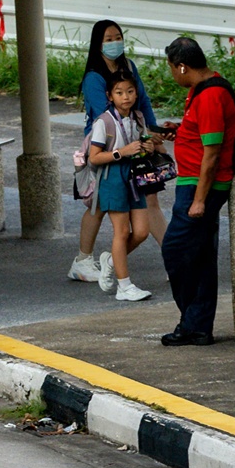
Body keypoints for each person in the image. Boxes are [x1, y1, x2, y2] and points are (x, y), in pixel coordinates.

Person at [69, 19, 165, 283]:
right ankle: (83, 260)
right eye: (108, 40)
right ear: (98, 44)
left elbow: (143, 102)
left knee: (149, 198)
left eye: (118, 37)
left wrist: (151, 133)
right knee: (98, 202)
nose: (115, 43)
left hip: (135, 143)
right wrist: (130, 144)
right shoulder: (94, 77)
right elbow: (105, 116)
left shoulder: (128, 66)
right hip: (109, 148)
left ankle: (170, 255)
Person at [160, 36, 235, 347]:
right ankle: (197, 326)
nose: (172, 73)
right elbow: (204, 135)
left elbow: (212, 153)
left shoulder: (210, 96)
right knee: (201, 254)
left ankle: (192, 322)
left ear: (182, 66)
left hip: (200, 185)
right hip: (195, 182)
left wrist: (199, 200)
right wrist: (181, 131)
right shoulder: (203, 88)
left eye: (171, 68)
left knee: (176, 249)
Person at [86, 73, 156, 302]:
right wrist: (121, 152)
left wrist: (148, 147)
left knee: (142, 232)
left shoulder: (138, 117)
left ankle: (110, 260)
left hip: (134, 175)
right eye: (119, 92)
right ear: (110, 96)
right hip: (112, 176)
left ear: (136, 93)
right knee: (122, 231)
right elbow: (94, 157)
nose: (125, 97)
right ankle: (124, 286)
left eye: (130, 91)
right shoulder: (104, 122)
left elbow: (143, 143)